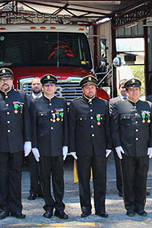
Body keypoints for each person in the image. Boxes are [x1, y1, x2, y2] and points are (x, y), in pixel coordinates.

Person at [0, 68, 31, 219]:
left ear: (12, 81)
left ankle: (17, 208)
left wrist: (28, 140)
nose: (5, 82)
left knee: (16, 176)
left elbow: (26, 121)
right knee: (1, 177)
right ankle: (3, 207)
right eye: (2, 80)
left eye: (8, 79)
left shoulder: (21, 96)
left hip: (17, 143)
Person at [110, 78, 152, 217]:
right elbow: (115, 129)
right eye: (131, 90)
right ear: (127, 91)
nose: (134, 92)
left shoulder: (148, 105)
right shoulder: (119, 106)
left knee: (142, 179)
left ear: (140, 91)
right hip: (127, 149)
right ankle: (129, 206)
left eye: (137, 89)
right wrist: (117, 145)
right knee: (128, 179)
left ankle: (140, 206)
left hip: (143, 149)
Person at [67, 75, 111, 218]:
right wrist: (72, 149)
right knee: (84, 180)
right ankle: (86, 208)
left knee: (100, 180)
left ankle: (101, 208)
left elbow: (107, 127)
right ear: (83, 90)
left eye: (92, 88)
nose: (90, 90)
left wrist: (109, 146)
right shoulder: (75, 105)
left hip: (99, 149)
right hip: (82, 149)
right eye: (87, 88)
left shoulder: (103, 104)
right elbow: (71, 128)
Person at [30, 74, 69, 219]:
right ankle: (48, 206)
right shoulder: (35, 104)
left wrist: (66, 145)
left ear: (55, 87)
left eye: (51, 85)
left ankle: (60, 207)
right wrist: (34, 146)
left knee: (58, 180)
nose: (49, 88)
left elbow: (66, 126)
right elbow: (32, 126)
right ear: (42, 87)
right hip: (43, 148)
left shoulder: (62, 103)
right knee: (44, 179)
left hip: (58, 147)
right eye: (46, 85)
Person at [107, 79, 128, 197]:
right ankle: (122, 188)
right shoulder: (113, 102)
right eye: (122, 87)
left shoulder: (135, 101)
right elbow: (112, 120)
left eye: (127, 87)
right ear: (119, 88)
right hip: (118, 137)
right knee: (120, 166)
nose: (124, 89)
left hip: (131, 138)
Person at [26, 77, 42, 200]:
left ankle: (43, 190)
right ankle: (33, 190)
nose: (36, 86)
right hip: (31, 136)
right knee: (32, 166)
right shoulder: (26, 100)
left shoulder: (46, 99)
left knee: (44, 167)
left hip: (44, 137)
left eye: (38, 84)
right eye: (34, 84)